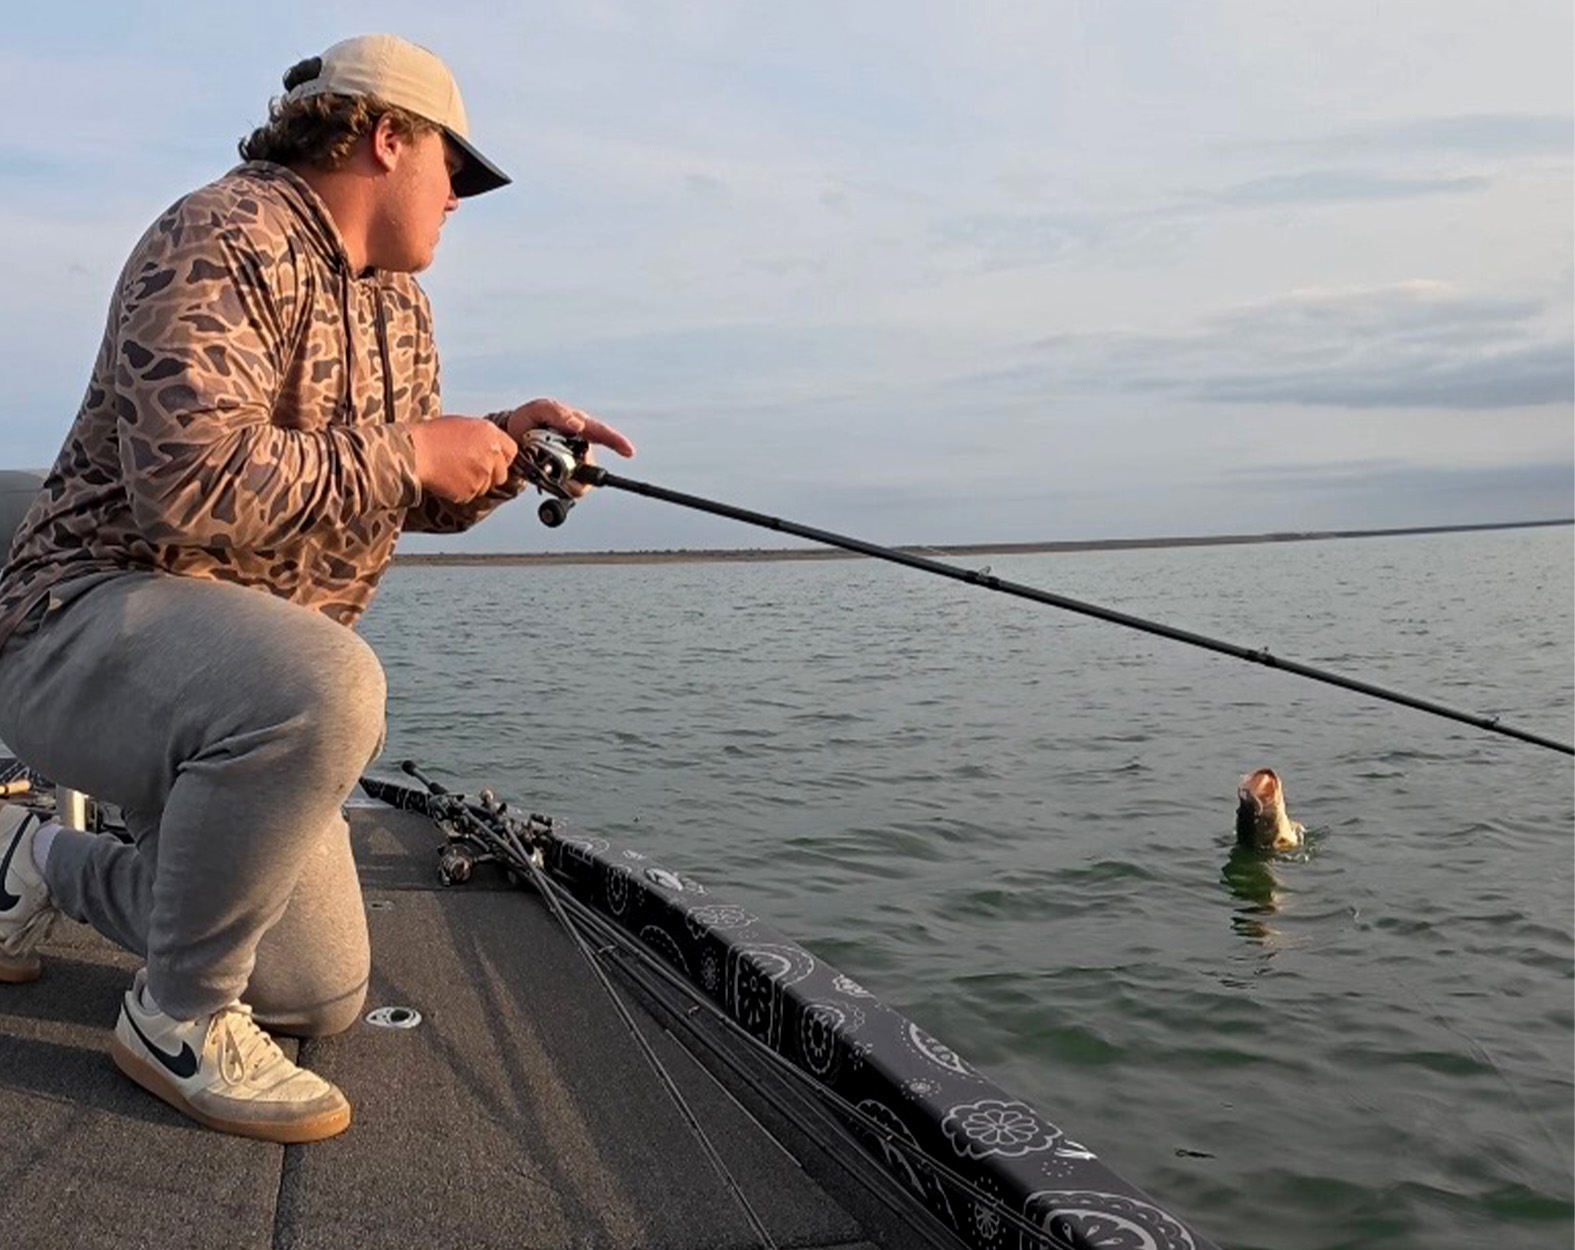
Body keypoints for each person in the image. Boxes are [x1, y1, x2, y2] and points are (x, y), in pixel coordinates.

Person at [0, 33, 634, 1144]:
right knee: (332, 684)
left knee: (315, 992)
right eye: (453, 168)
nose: (458, 198)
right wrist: (411, 451)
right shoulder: (218, 234)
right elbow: (187, 489)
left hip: (228, 693)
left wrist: (498, 452)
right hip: (75, 631)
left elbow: (385, 489)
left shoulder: (401, 306)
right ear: (387, 138)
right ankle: (175, 1018)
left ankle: (32, 861)